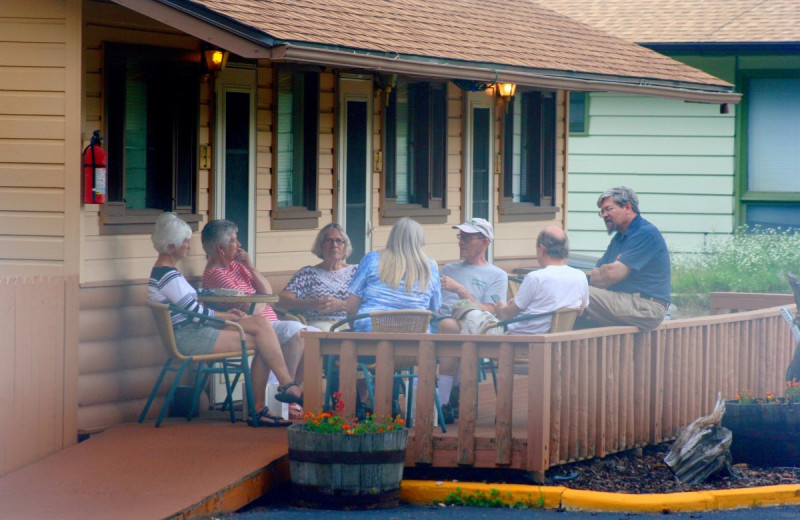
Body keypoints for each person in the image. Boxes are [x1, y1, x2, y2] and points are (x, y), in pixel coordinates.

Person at [147, 212, 300, 427]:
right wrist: (227, 316)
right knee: (265, 340)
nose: (189, 247)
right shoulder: (167, 276)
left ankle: (283, 387)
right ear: (172, 246)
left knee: (262, 325)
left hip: (194, 329)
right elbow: (196, 314)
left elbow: (195, 311)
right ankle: (267, 401)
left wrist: (229, 316)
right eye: (186, 242)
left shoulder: (169, 273)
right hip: (189, 336)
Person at [201, 219, 315, 418]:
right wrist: (261, 301)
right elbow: (249, 307)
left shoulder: (237, 267)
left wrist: (250, 266)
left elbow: (267, 291)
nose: (239, 246)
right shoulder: (216, 274)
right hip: (251, 327)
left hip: (270, 323)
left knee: (314, 338)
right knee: (297, 333)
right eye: (234, 241)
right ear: (220, 248)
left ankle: (292, 391)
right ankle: (286, 394)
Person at [435, 218, 507, 417]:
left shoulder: (496, 275)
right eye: (461, 237)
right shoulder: (449, 269)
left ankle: (443, 401)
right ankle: (452, 394)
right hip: (440, 326)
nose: (461, 242)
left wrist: (460, 290)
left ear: (484, 242)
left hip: (474, 328)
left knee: (449, 326)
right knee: (446, 325)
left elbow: (489, 311)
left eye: (467, 238)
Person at [577, 186, 671, 330]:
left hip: (647, 306)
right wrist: (610, 269)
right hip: (626, 301)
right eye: (602, 211)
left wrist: (609, 271)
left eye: (609, 209)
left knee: (578, 292)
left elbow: (612, 274)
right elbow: (597, 279)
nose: (604, 215)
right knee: (577, 302)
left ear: (627, 208)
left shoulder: (645, 233)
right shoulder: (618, 238)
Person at [346, 217, 441, 331]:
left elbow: (352, 306)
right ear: (420, 240)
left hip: (370, 333)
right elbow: (435, 309)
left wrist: (355, 330)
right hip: (415, 335)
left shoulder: (372, 259)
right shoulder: (430, 266)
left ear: (392, 237)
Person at [493, 226, 588, 333]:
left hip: (520, 340)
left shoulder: (535, 278)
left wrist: (501, 308)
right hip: (557, 340)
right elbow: (580, 311)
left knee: (475, 317)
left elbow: (507, 315)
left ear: (542, 249)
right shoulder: (580, 276)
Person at [278, 223, 358, 331]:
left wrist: (343, 305)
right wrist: (311, 303)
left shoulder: (356, 272)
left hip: (350, 321)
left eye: (339, 241)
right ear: (321, 246)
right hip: (319, 323)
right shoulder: (308, 273)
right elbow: (282, 300)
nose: (334, 245)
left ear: (345, 246)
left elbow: (371, 300)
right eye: (329, 240)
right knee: (329, 332)